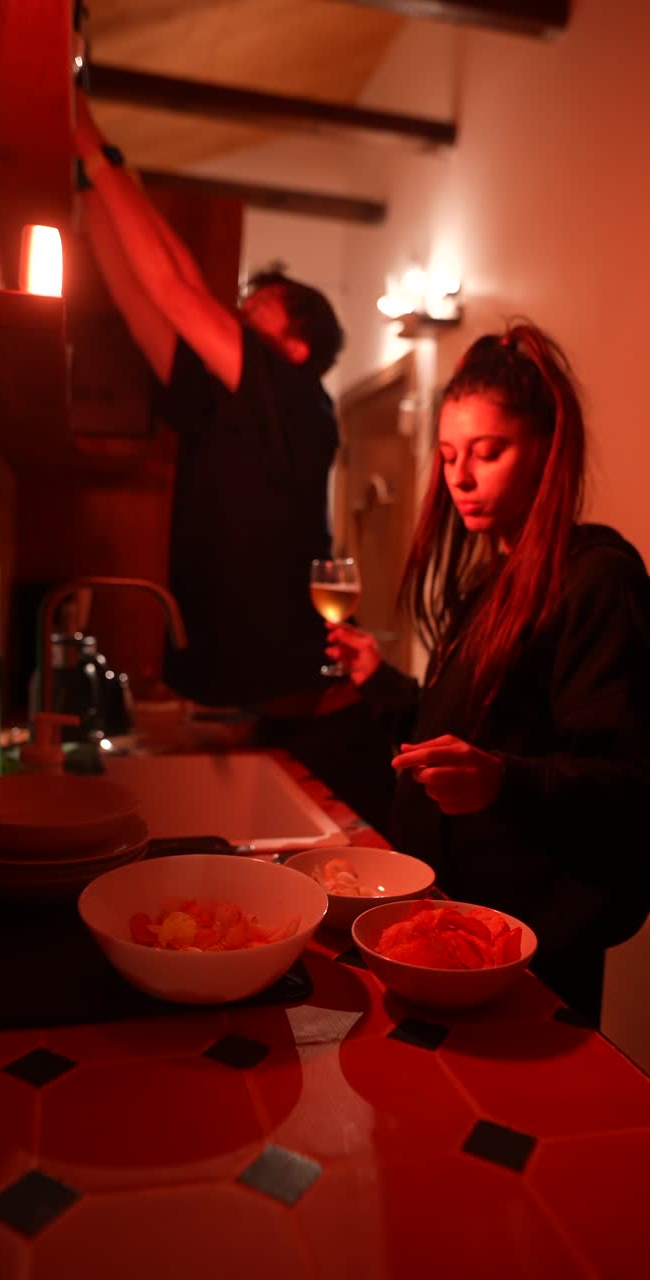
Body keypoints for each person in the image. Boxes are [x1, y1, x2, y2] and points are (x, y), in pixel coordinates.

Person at [71, 92, 397, 832]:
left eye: (261, 306)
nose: (240, 312)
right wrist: (97, 183)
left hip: (325, 728)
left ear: (295, 347)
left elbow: (178, 288)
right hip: (272, 718)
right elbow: (143, 296)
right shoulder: (227, 405)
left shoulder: (294, 393)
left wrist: (93, 147)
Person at [326, 321, 650, 1023]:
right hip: (447, 924)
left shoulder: (596, 580)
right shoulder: (489, 581)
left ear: (545, 448)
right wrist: (381, 682)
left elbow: (629, 784)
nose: (460, 478)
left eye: (488, 452)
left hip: (524, 948)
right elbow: (469, 736)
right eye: (447, 457)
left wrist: (505, 781)